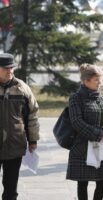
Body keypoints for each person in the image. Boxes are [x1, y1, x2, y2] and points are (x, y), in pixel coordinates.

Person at [67, 64, 103, 200]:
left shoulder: (101, 98)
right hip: (82, 146)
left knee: (102, 180)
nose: (100, 83)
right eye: (96, 80)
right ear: (86, 81)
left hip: (100, 147)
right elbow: (76, 122)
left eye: (100, 79)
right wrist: (98, 135)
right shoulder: (76, 98)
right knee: (83, 182)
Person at [0, 53, 40, 200]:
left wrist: (33, 140)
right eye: (5, 68)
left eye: (12, 68)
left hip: (15, 145)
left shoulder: (22, 88)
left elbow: (32, 115)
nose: (9, 71)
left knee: (11, 190)